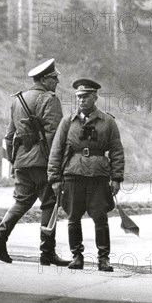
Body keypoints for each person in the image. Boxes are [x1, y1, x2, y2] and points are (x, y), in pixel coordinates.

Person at [0, 58, 70, 266]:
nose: (57, 82)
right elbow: (55, 135)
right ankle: (47, 253)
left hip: (22, 162)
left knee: (21, 202)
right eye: (54, 78)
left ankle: (0, 238)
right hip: (44, 163)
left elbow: (9, 136)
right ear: (44, 80)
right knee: (49, 204)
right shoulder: (49, 99)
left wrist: (14, 162)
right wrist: (59, 164)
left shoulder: (19, 100)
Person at [48, 79, 125, 272]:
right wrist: (55, 178)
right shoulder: (67, 122)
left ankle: (103, 258)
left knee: (100, 218)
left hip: (98, 176)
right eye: (79, 97)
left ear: (95, 98)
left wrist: (116, 178)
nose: (82, 100)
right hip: (73, 175)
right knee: (73, 217)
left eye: (86, 97)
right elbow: (56, 151)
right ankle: (77, 256)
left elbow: (116, 151)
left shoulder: (108, 122)